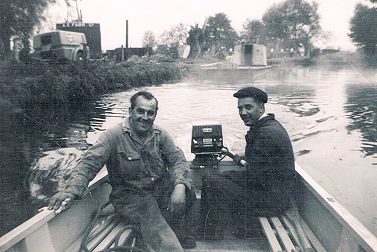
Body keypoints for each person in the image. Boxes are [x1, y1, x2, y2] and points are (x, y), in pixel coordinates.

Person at [48, 91, 196, 251]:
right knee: (148, 208)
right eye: (140, 111)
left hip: (156, 190)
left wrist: (180, 186)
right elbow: (88, 164)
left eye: (150, 113)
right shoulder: (112, 136)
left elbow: (178, 160)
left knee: (187, 192)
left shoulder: (160, 135)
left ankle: (172, 232)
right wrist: (71, 191)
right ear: (130, 111)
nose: (145, 117)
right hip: (129, 196)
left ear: (155, 115)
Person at [200, 86, 297, 239]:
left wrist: (237, 167)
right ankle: (230, 227)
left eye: (248, 107)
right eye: (240, 108)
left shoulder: (267, 134)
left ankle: (209, 234)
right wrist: (236, 158)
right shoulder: (268, 126)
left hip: (272, 201)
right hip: (273, 192)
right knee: (225, 176)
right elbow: (260, 165)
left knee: (211, 181)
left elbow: (254, 176)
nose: (243, 113)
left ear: (261, 107)